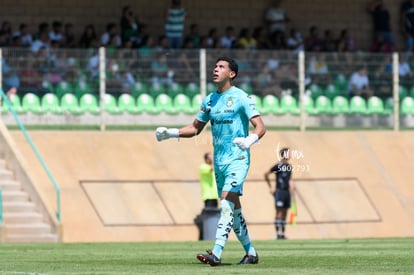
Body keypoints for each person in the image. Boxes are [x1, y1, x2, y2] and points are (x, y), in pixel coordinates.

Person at [155, 56, 266, 266]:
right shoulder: (209, 100)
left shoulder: (241, 97)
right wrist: (170, 133)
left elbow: (260, 126)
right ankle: (251, 253)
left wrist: (250, 140)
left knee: (225, 205)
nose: (215, 69)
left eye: (221, 67)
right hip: (219, 161)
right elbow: (195, 128)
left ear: (231, 74)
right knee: (234, 210)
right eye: (215, 66)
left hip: (238, 159)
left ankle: (216, 253)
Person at [264, 147, 295, 240]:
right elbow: (266, 174)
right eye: (288, 153)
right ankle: (278, 233)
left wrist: (292, 188)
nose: (290, 155)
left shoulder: (289, 167)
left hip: (286, 192)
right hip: (279, 191)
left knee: (285, 212)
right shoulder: (278, 166)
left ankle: (282, 234)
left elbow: (289, 179)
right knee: (279, 212)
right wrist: (270, 187)